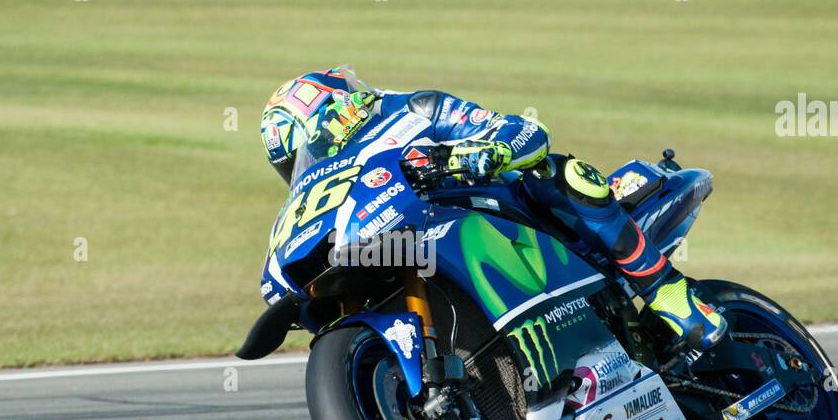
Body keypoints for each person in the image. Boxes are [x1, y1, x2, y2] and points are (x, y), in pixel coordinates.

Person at [259, 66, 726, 350]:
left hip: (503, 207)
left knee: (559, 174)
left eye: (305, 148)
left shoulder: (414, 110)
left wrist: (482, 152)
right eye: (293, 165)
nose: (305, 166)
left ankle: (669, 293)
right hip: (422, 242)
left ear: (331, 117)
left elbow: (527, 134)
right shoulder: (330, 187)